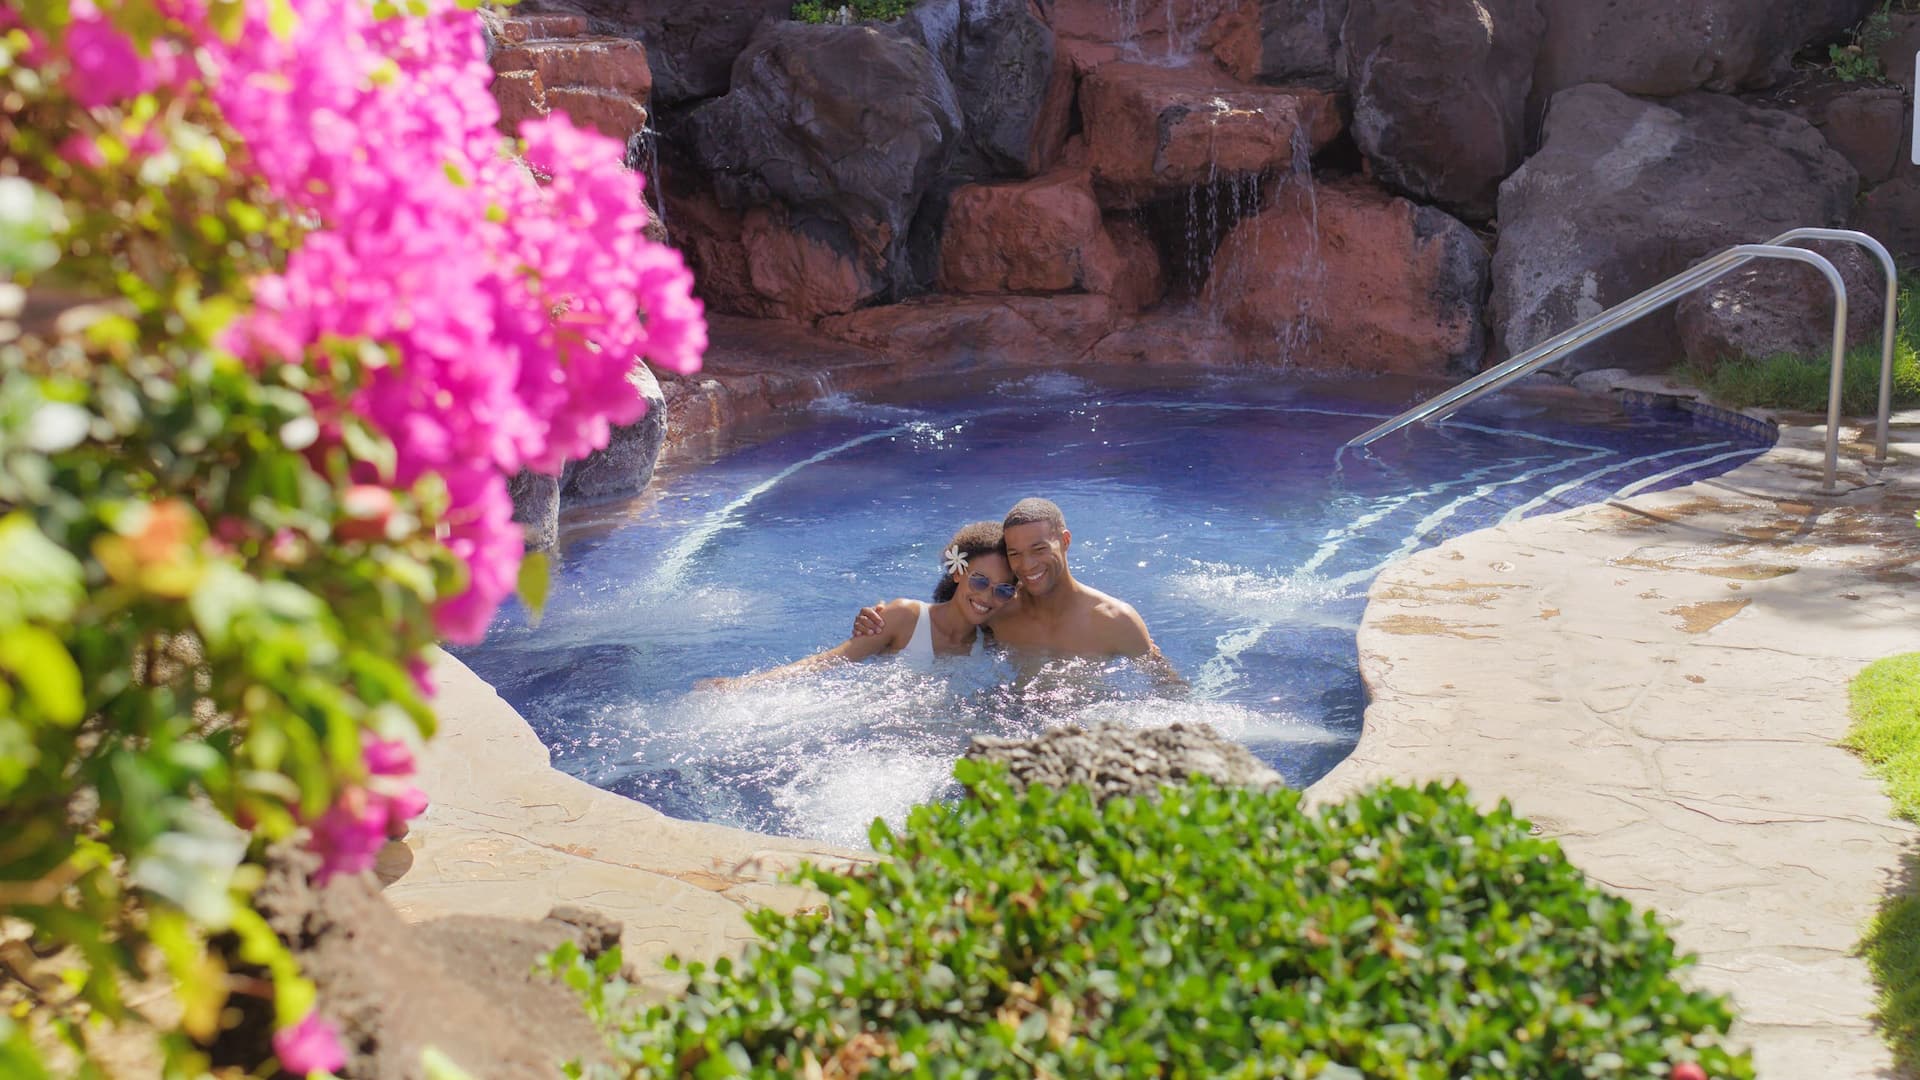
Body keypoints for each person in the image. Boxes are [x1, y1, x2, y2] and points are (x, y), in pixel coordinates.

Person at [853, 498, 1180, 680]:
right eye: (1015, 554)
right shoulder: (1001, 608)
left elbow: (1167, 688)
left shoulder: (1115, 621)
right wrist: (881, 622)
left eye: (1039, 550)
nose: (1027, 565)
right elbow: (945, 616)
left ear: (1064, 541)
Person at [698, 521, 1017, 689]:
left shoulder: (986, 642)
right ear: (959, 572)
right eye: (979, 581)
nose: (987, 596)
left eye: (1002, 590)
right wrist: (743, 686)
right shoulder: (905, 617)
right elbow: (828, 661)